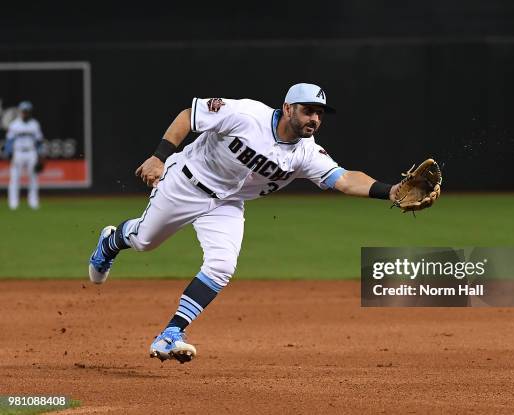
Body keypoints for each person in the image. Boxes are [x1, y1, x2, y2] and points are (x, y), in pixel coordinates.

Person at [88, 83, 434, 364]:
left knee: (222, 265)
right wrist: (158, 156)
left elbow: (344, 179)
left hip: (226, 203)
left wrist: (390, 191)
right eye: (307, 110)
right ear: (287, 108)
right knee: (146, 241)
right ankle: (112, 240)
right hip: (186, 182)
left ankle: (171, 333)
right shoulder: (245, 114)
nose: (314, 118)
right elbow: (188, 116)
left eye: (319, 113)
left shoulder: (306, 153)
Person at [5, 101, 44, 210]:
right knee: (14, 178)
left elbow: (39, 141)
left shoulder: (34, 124)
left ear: (30, 112)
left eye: (27, 111)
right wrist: (9, 153)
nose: (25, 113)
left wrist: (40, 156)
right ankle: (13, 203)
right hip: (18, 152)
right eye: (23, 111)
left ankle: (33, 201)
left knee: (33, 178)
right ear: (20, 112)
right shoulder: (14, 124)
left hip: (31, 152)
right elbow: (9, 141)